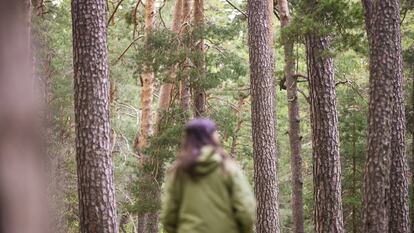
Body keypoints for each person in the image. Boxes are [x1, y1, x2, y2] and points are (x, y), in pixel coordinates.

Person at [161, 118, 256, 233]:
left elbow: (168, 215)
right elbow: (245, 209)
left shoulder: (178, 171)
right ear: (213, 137)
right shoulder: (228, 168)